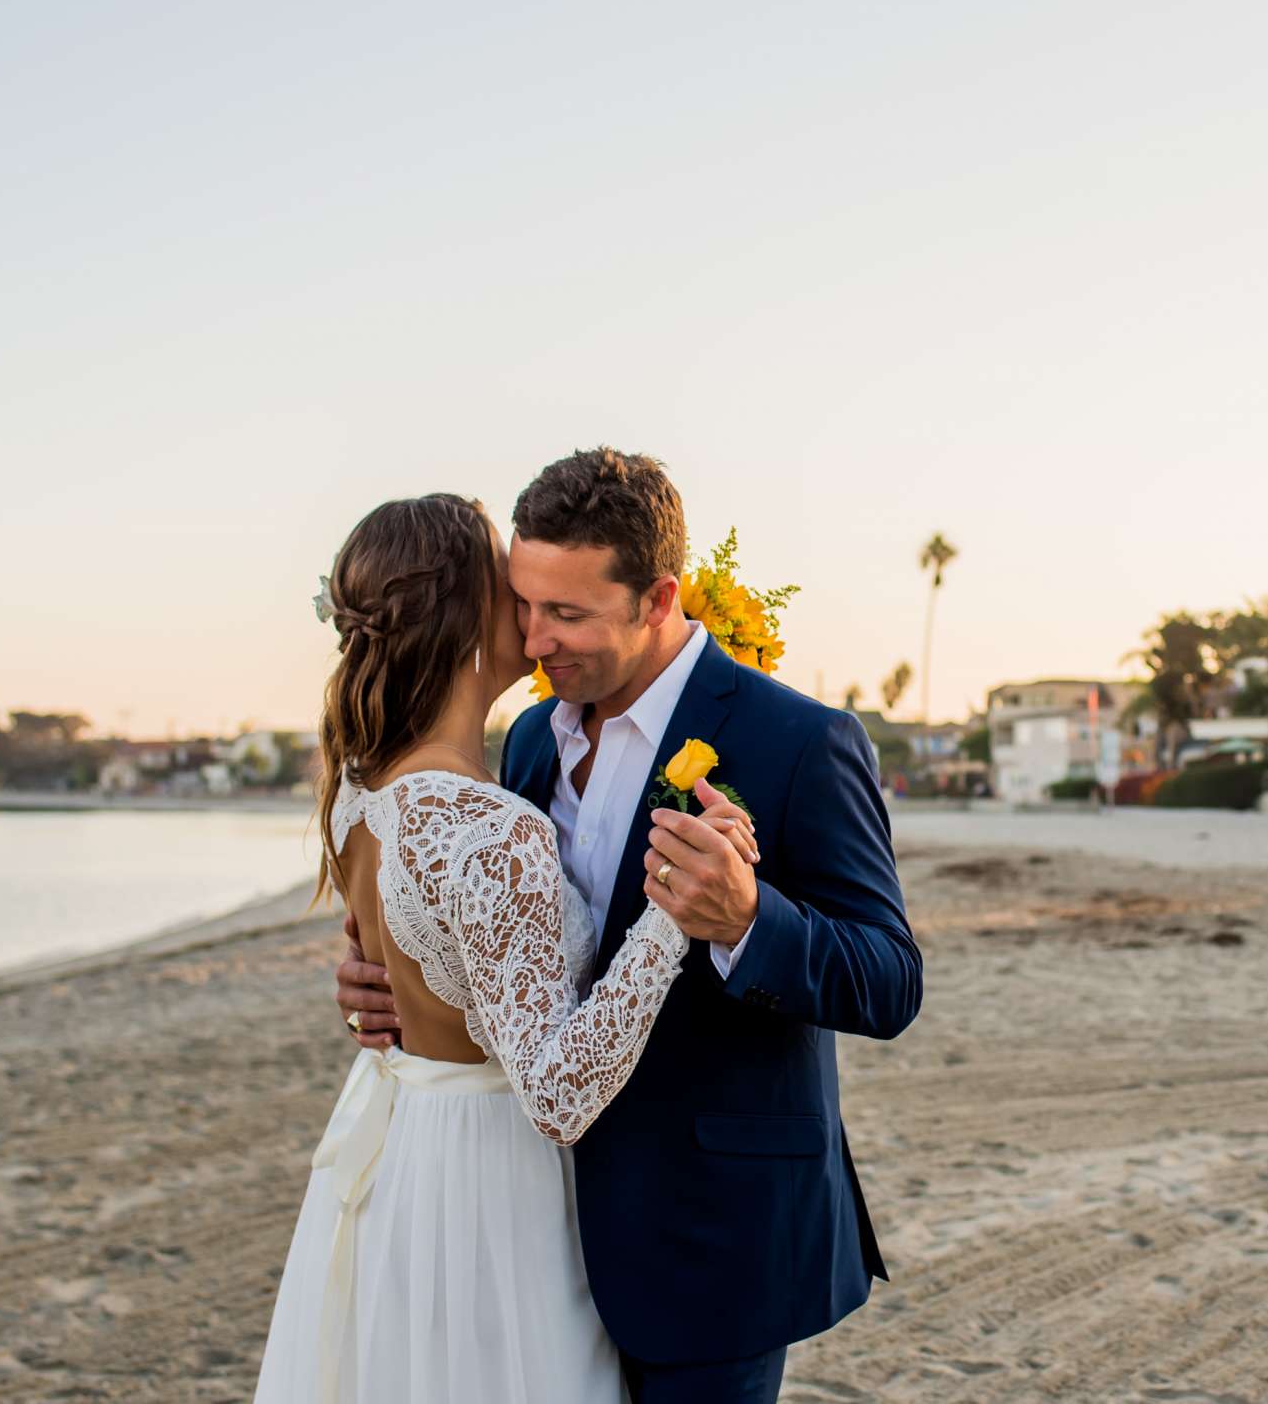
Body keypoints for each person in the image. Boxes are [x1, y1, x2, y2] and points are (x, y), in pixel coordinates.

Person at [335, 449, 922, 1403]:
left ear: (658, 599)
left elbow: (892, 979)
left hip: (711, 1238)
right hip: (535, 1232)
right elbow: (497, 945)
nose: (533, 639)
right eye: (525, 602)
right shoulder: (526, 737)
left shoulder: (801, 743)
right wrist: (398, 977)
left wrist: (746, 918)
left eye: (566, 614)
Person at [258, 492, 762, 1401]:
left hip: (407, 1148)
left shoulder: (360, 792)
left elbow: (419, 963)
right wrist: (670, 918)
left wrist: (376, 991)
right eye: (508, 586)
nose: (529, 616)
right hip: (487, 1182)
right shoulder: (490, 828)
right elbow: (558, 1093)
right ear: (464, 617)